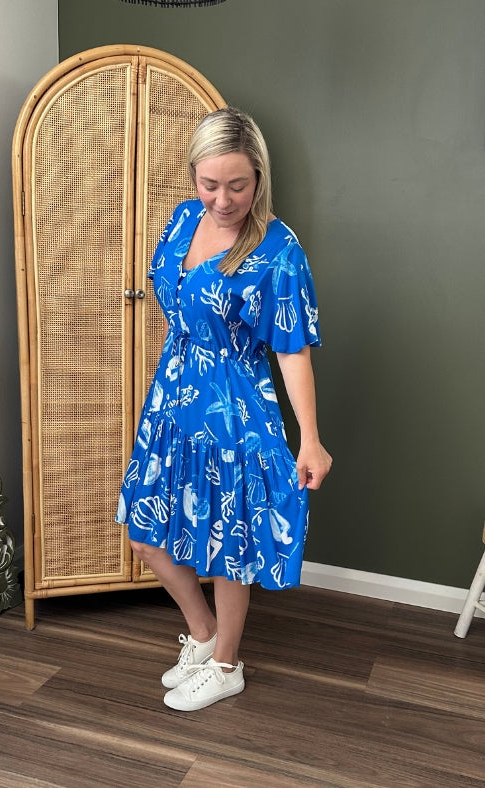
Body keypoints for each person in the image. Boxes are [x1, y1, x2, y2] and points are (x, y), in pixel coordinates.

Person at [116, 106, 332, 712]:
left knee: (229, 543)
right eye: (209, 183)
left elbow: (293, 350)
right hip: (173, 398)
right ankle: (205, 635)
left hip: (236, 409)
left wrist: (309, 439)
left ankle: (227, 664)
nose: (222, 199)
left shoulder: (277, 249)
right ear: (193, 177)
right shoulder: (183, 221)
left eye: (237, 184)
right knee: (143, 530)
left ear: (259, 177)